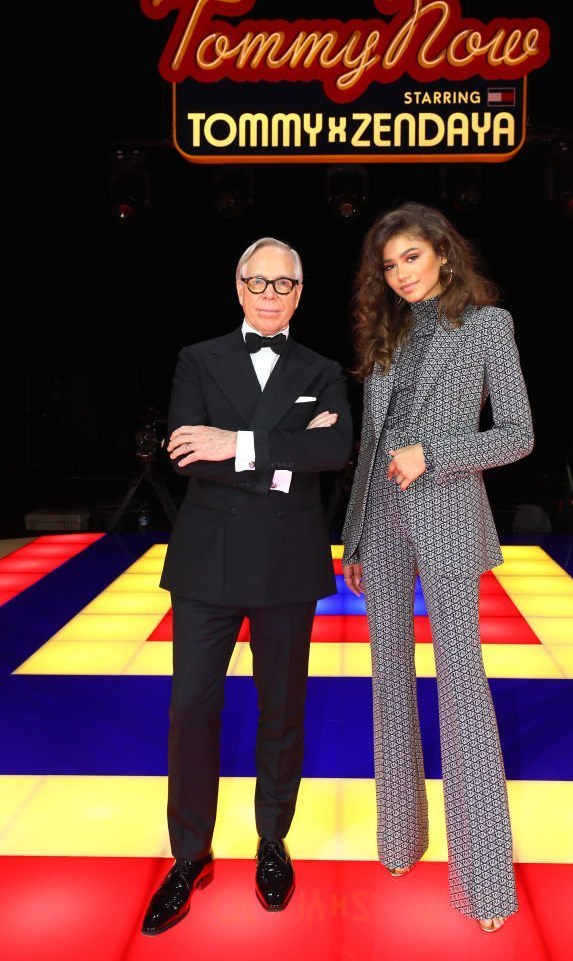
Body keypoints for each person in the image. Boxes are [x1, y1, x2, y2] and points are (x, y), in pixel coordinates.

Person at [141, 236, 352, 935]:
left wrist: (237, 442)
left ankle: (272, 841)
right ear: (237, 287)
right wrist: (287, 446)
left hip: (286, 565)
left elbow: (336, 449)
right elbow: (183, 452)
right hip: (205, 565)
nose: (269, 294)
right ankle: (188, 855)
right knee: (188, 712)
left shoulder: (322, 369)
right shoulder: (197, 359)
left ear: (299, 292)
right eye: (257, 282)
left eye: (283, 284)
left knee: (282, 712)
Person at [341, 202, 533, 934]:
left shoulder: (488, 326)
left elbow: (517, 434)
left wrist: (436, 455)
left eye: (410, 259)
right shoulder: (386, 333)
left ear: (444, 256)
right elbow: (372, 444)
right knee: (387, 680)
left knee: (462, 690)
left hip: (448, 514)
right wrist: (353, 536)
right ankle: (400, 840)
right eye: (388, 266)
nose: (400, 276)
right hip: (383, 520)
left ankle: (484, 884)